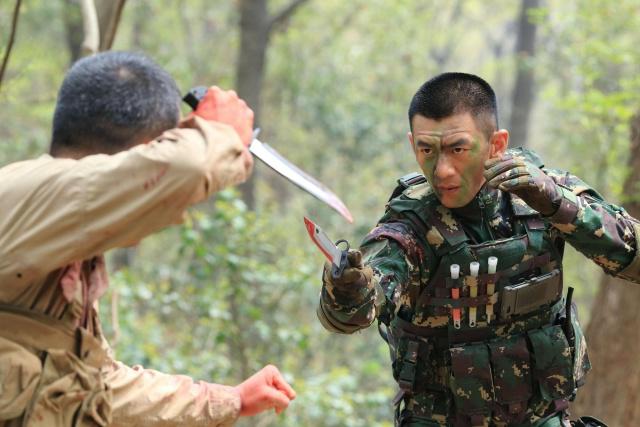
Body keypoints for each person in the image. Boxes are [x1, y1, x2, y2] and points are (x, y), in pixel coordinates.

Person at [317, 72, 640, 427]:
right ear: (413, 145)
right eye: (427, 150)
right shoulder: (411, 225)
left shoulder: (541, 192)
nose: (441, 170)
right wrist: (349, 288)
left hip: (541, 417)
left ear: (496, 145)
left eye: (458, 149)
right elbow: (354, 308)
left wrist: (556, 204)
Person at [0, 51, 296, 426]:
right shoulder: (29, 197)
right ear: (143, 155)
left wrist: (231, 400)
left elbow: (103, 388)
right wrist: (221, 132)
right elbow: (188, 167)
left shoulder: (59, 240)